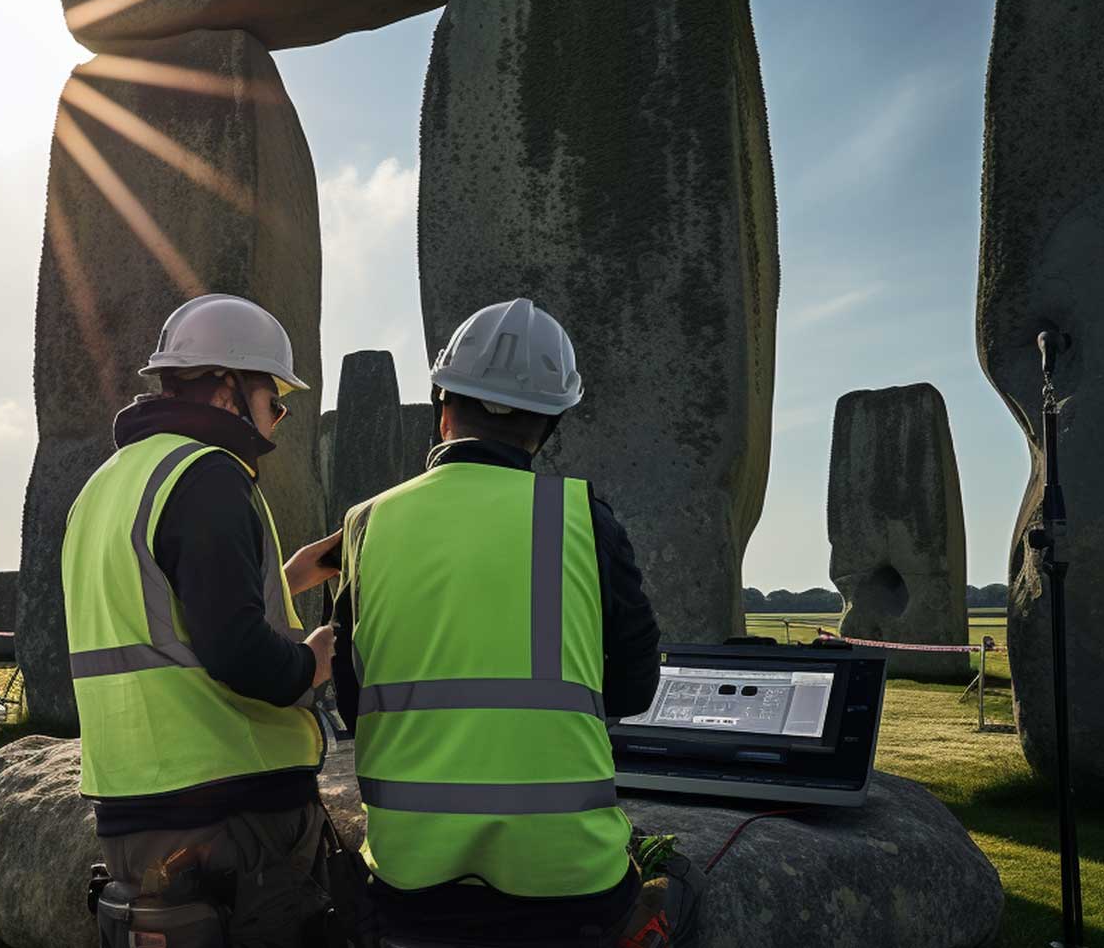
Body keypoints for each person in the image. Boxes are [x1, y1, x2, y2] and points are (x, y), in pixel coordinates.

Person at [330, 297, 663, 945]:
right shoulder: (582, 517)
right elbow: (633, 689)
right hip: (566, 878)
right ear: (553, 420)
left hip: (410, 873)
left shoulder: (367, 523)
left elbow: (351, 700)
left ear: (441, 400)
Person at [62, 293, 342, 947]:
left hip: (133, 806)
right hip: (233, 809)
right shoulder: (209, 474)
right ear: (226, 390)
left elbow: (165, 613)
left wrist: (292, 573)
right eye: (275, 397)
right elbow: (238, 651)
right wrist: (317, 658)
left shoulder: (108, 485)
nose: (280, 415)